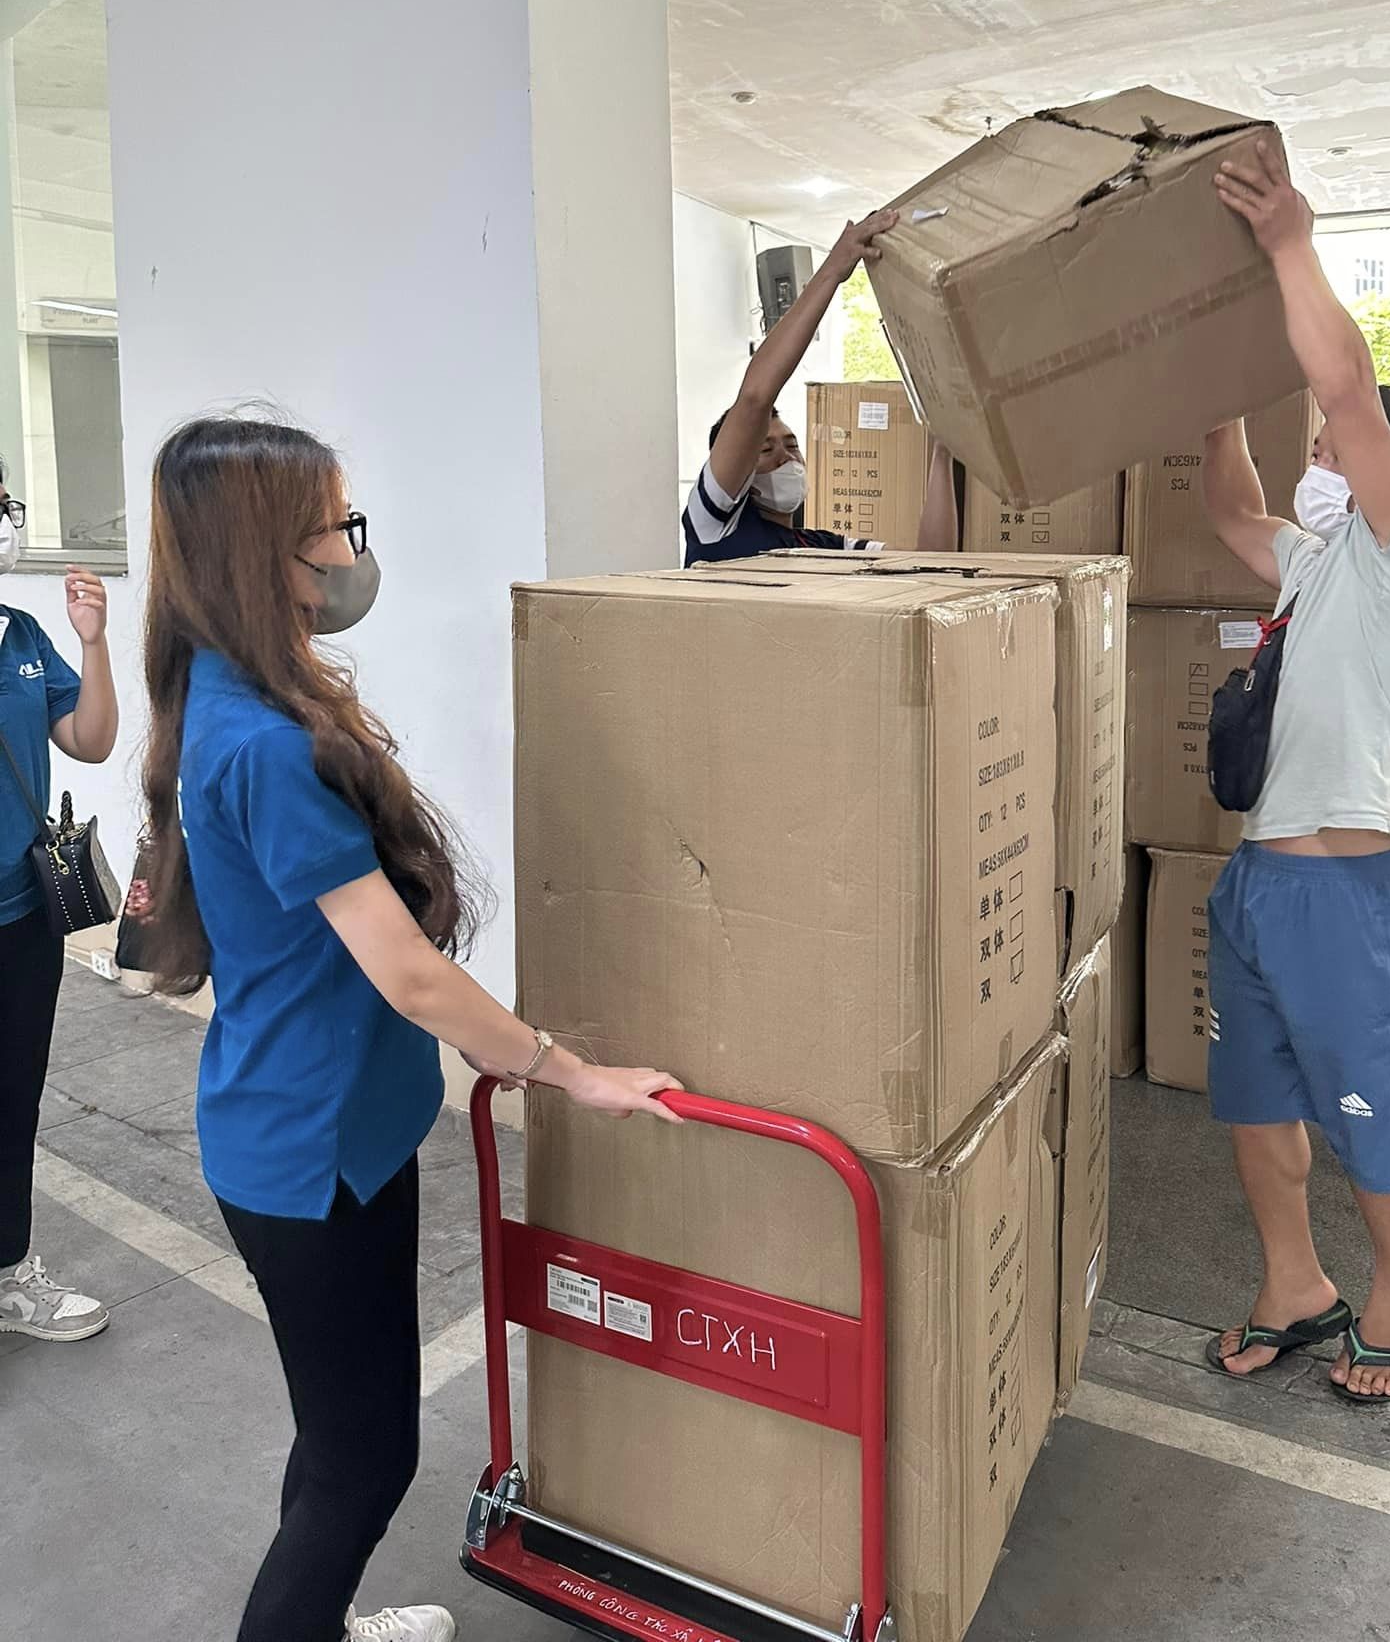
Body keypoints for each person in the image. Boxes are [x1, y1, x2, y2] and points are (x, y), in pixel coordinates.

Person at [141, 415, 680, 1642]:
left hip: (317, 1126)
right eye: (334, 524)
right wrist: (571, 1072)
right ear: (263, 550)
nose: (351, 548)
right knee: (366, 1459)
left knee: (335, 1435)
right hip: (311, 1155)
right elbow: (409, 974)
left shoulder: (231, 686)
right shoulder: (263, 744)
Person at [1199, 141, 1390, 1408]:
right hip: (1259, 885)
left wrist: (1292, 245)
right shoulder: (1312, 564)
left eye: (1326, 445)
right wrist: (1209, 398)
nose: (1314, 457)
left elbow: (1347, 382)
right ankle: (1296, 1285)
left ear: (1381, 467)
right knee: (1255, 1105)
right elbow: (1226, 507)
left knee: (1367, 1122)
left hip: (1353, 896)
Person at [0, 459, 119, 1343]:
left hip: (23, 919)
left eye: (2, 504)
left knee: (15, 1099)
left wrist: (93, 642)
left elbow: (91, 738)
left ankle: (9, 1276)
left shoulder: (23, 637)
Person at [683, 209, 958, 564]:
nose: (786, 457)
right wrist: (833, 270)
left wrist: (943, 447)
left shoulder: (825, 546)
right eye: (765, 450)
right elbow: (754, 398)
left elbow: (934, 563)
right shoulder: (714, 524)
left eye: (792, 445)